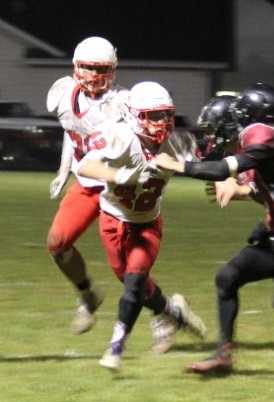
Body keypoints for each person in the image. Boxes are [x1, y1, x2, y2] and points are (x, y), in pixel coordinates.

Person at [76, 81, 207, 370]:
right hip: (112, 221)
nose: (163, 122)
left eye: (166, 114)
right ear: (135, 115)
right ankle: (173, 312)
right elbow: (84, 166)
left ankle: (115, 349)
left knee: (134, 285)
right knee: (131, 283)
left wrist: (229, 182)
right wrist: (120, 176)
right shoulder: (120, 136)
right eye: (154, 115)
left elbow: (208, 166)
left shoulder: (177, 143)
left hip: (147, 226)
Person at [155, 82, 274, 374]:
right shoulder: (259, 150)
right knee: (228, 277)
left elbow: (222, 169)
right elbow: (266, 191)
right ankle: (224, 357)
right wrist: (245, 195)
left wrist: (179, 165)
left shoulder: (262, 136)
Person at [46, 36, 130, 334]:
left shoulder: (123, 103)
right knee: (57, 243)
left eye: (100, 69)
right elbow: (73, 133)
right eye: (88, 68)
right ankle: (87, 295)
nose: (94, 75)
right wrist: (63, 170)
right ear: (75, 68)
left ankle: (167, 313)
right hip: (86, 185)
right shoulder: (64, 95)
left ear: (113, 70)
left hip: (119, 191)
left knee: (125, 270)